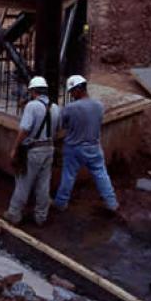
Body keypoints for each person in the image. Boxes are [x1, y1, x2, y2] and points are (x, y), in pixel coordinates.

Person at [53, 75, 119, 213]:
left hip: (74, 148)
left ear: (78, 89)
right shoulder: (99, 106)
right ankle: (111, 203)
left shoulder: (70, 108)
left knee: (68, 176)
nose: (71, 94)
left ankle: (60, 203)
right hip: (94, 147)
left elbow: (62, 125)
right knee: (101, 174)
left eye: (71, 91)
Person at [4, 76, 61, 226]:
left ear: (33, 91)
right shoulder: (55, 107)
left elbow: (24, 130)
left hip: (34, 150)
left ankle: (14, 214)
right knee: (43, 184)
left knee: (24, 183)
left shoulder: (32, 106)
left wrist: (15, 148)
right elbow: (57, 129)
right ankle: (41, 217)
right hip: (49, 148)